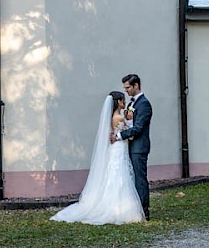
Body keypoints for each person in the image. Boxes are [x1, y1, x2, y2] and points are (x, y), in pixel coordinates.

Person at [51, 91, 146, 225]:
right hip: (119, 149)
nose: (125, 103)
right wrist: (130, 119)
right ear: (118, 102)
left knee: (115, 175)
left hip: (116, 148)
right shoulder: (119, 118)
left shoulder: (113, 117)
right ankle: (117, 208)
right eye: (122, 100)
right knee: (118, 176)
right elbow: (129, 135)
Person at [115, 73, 153, 220]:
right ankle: (133, 208)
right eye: (125, 88)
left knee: (139, 179)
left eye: (128, 87)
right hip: (130, 145)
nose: (126, 91)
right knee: (131, 178)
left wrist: (119, 136)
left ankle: (144, 211)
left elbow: (138, 128)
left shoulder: (144, 104)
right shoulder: (132, 104)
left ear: (136, 85)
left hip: (139, 147)